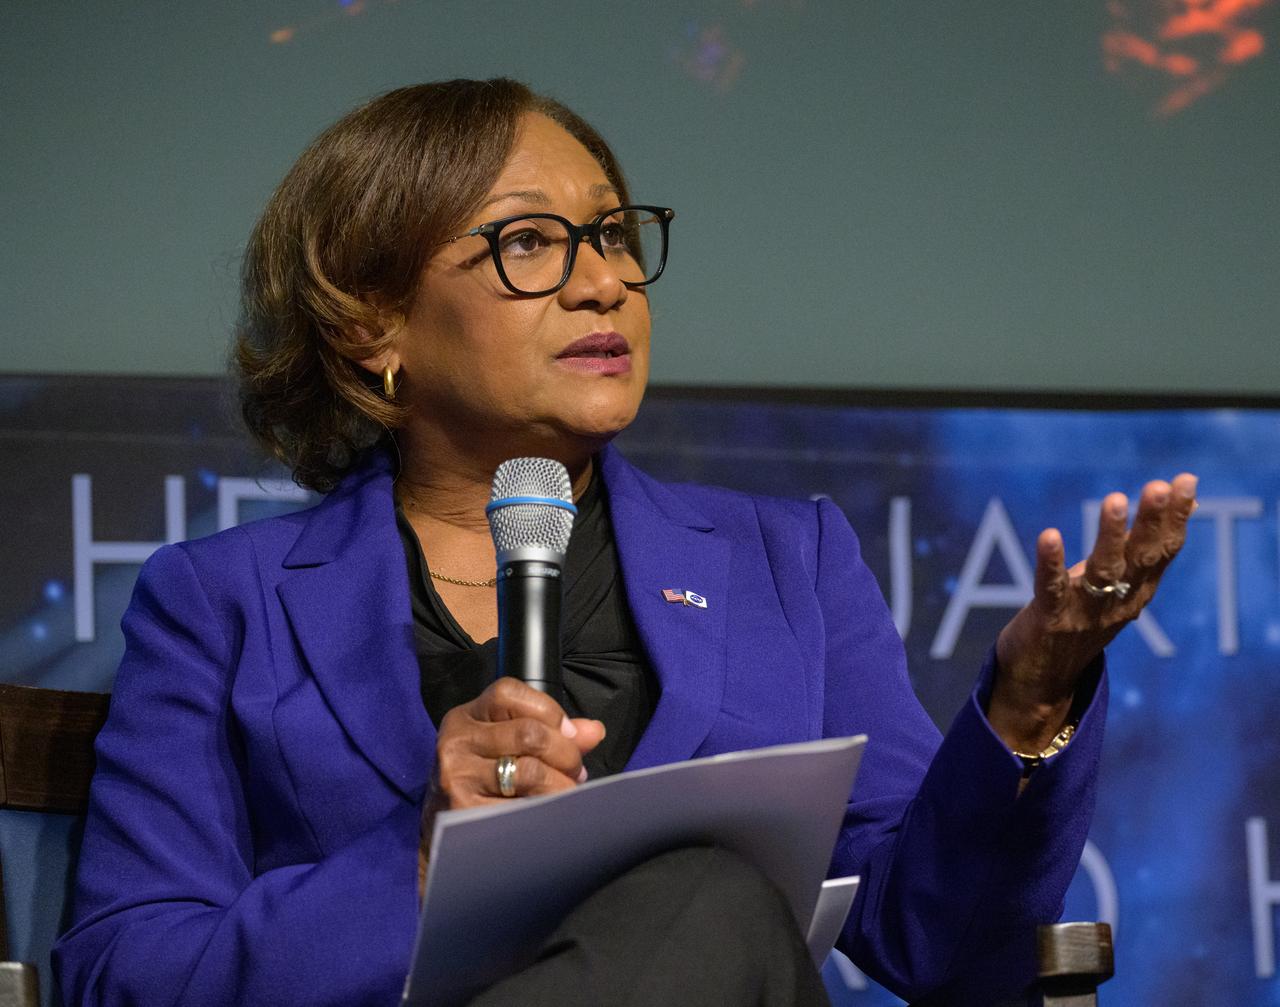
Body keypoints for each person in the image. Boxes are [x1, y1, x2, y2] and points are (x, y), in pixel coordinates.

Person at [53, 79, 1197, 1006]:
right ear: (372, 324)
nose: (603, 281)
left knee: (708, 902)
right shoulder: (222, 600)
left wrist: (1028, 701)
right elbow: (123, 971)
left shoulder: (784, 561)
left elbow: (942, 945)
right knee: (709, 892)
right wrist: (416, 863)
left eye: (610, 234)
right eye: (530, 245)